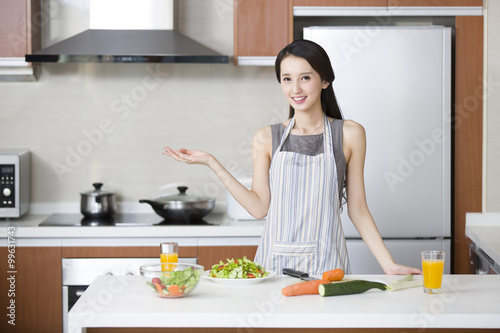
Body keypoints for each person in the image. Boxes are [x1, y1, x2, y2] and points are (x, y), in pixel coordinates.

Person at [163, 39, 421, 276]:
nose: (295, 88)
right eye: (287, 79)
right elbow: (259, 208)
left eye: (305, 77)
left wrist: (389, 264)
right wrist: (212, 163)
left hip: (327, 264)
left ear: (324, 81)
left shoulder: (350, 134)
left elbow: (358, 209)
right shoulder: (266, 137)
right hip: (274, 265)